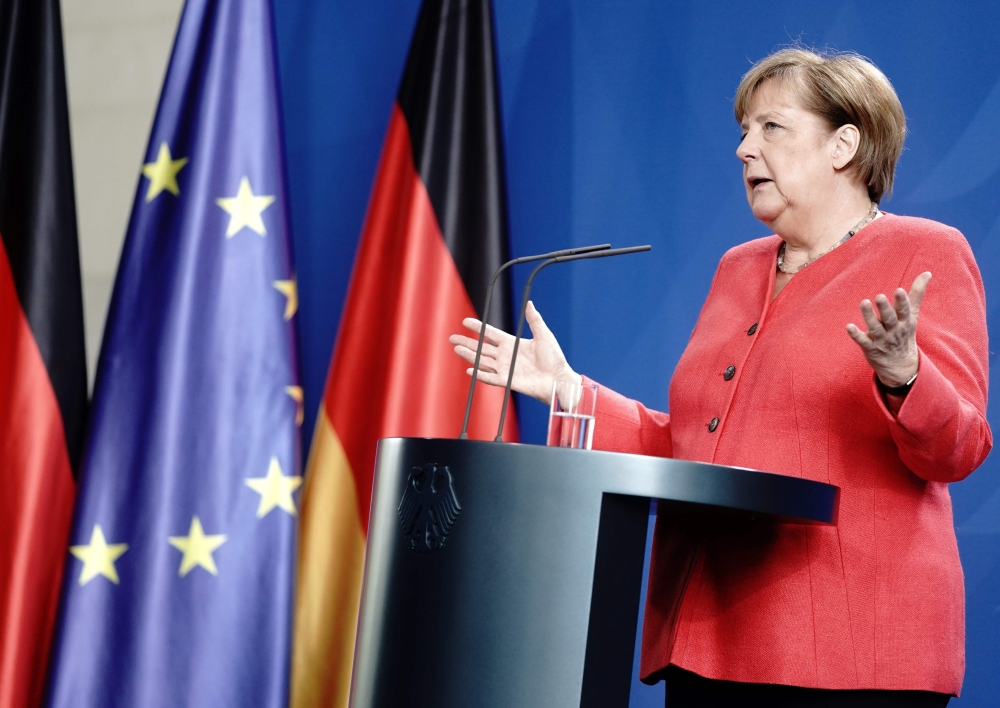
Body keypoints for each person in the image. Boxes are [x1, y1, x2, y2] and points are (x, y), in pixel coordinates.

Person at [449, 47, 991, 707]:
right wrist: (572, 394)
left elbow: (956, 450)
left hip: (854, 657)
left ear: (844, 144)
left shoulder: (924, 251)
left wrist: (907, 377)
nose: (743, 149)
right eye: (743, 130)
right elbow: (696, 450)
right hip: (710, 639)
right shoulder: (739, 266)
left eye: (772, 128)